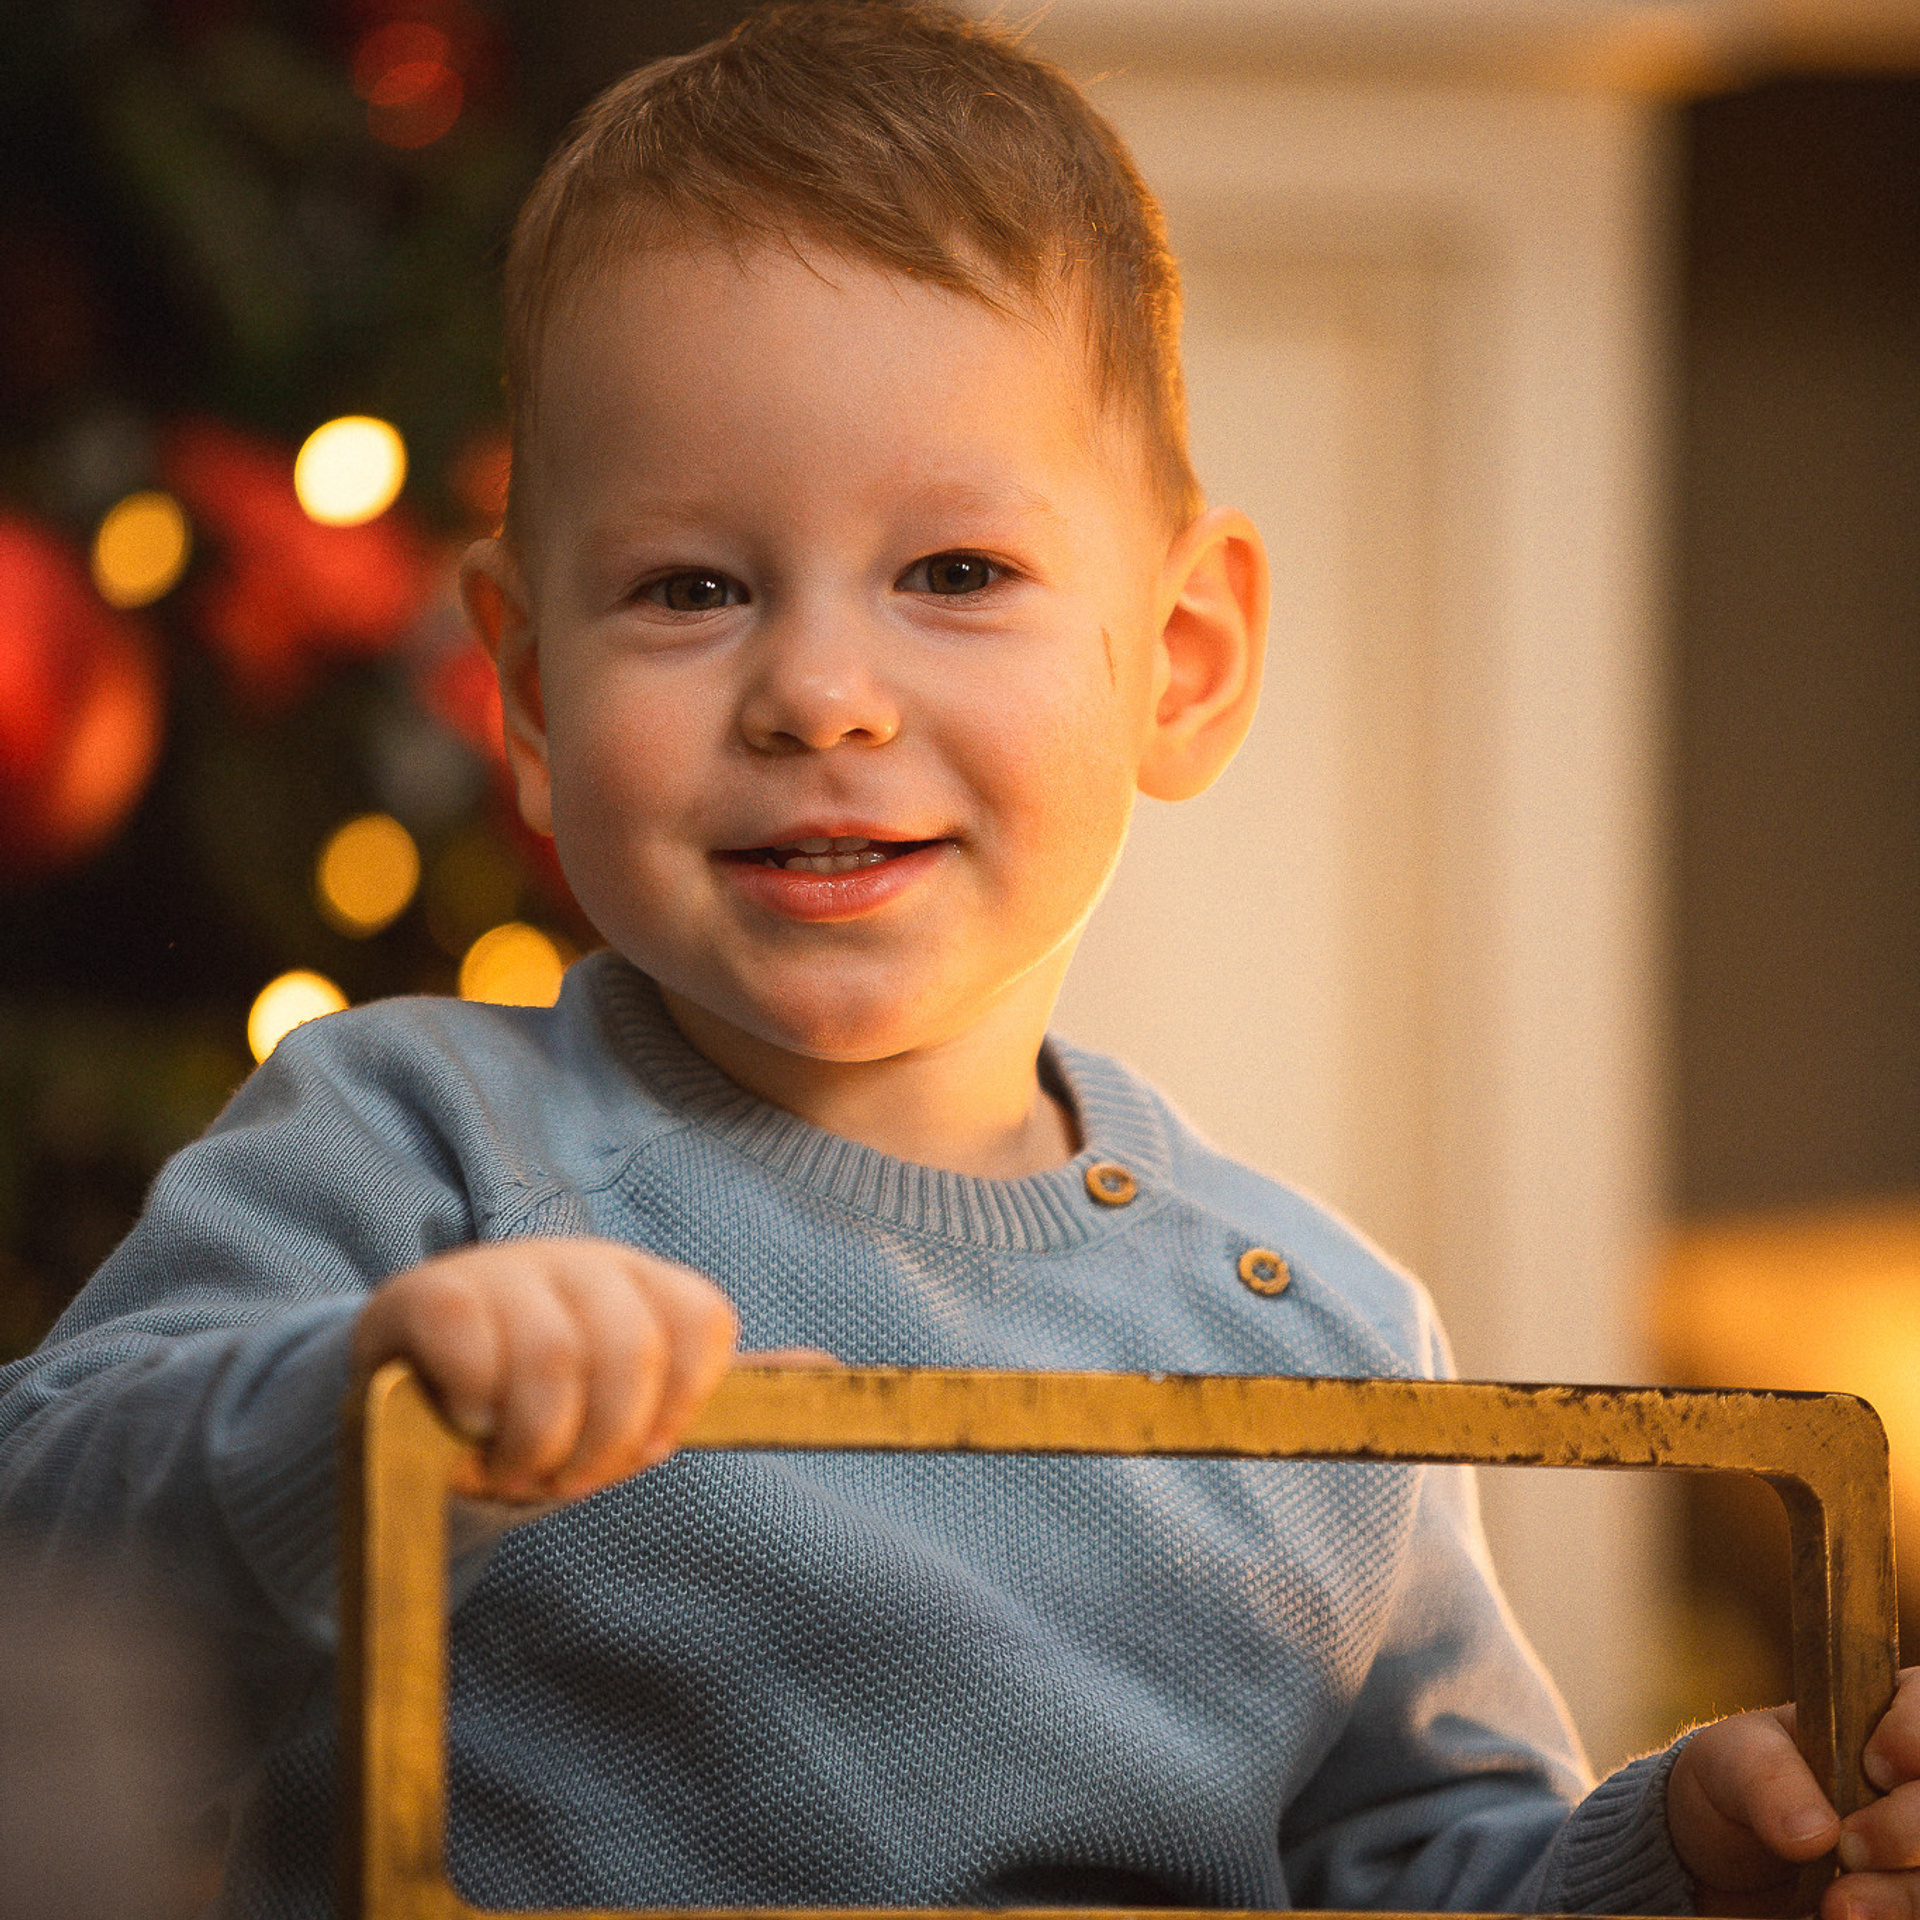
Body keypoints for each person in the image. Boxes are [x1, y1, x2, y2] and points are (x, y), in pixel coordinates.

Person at [2, 5, 1916, 1917]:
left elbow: (1422, 1876)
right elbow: (45, 1587)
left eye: (955, 575)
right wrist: (347, 1417)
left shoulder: (1310, 1334)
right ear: (521, 691)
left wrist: (1680, 1865)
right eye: (692, 589)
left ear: (1180, 658)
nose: (821, 695)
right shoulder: (415, 1156)